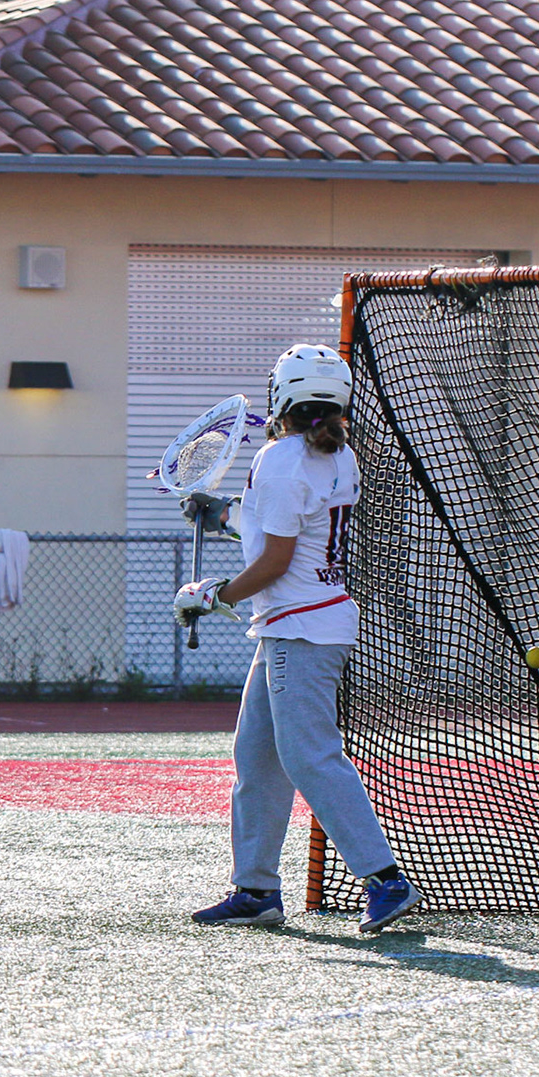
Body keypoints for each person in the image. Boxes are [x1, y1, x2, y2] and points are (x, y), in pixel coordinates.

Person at [175, 344, 423, 934]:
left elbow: (277, 560)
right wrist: (225, 516)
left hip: (299, 629)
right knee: (258, 760)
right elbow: (284, 528)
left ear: (281, 396)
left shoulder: (281, 457)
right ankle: (255, 890)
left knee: (309, 756)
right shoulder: (335, 453)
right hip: (305, 624)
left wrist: (214, 595)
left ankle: (385, 879)